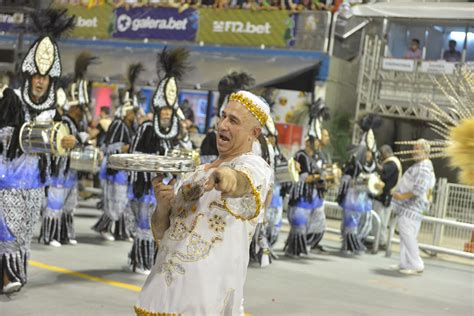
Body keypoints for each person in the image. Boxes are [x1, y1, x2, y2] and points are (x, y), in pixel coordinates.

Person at [135, 90, 272, 315]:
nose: (223, 125)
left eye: (234, 121)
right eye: (223, 116)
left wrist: (226, 177)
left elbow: (240, 182)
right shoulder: (196, 173)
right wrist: (162, 205)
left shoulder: (256, 167)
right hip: (161, 296)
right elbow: (163, 233)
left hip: (204, 302)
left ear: (253, 133)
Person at [0, 9, 76, 294]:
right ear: (29, 75)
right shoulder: (11, 99)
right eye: (36, 75)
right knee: (6, 228)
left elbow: (52, 146)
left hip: (34, 184)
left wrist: (64, 143)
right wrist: (16, 136)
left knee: (22, 233)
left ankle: (11, 274)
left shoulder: (52, 110)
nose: (40, 81)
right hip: (6, 180)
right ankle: (8, 277)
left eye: (45, 76)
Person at [127, 47, 190, 275]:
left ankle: (153, 262)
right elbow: (134, 156)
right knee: (143, 225)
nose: (166, 113)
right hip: (145, 187)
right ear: (157, 107)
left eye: (169, 109)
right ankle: (140, 261)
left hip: (167, 190)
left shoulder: (176, 131)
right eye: (163, 109)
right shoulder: (145, 127)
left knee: (163, 227)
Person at [39, 51, 95, 247]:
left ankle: (63, 234)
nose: (83, 114)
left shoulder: (75, 124)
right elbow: (54, 144)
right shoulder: (61, 121)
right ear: (74, 108)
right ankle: (49, 235)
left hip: (70, 172)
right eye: (82, 109)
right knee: (55, 204)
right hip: (58, 171)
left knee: (69, 205)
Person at [92, 63, 143, 242]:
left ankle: (122, 230)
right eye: (132, 112)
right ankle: (104, 227)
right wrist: (122, 149)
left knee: (124, 203)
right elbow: (107, 147)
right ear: (125, 111)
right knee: (113, 202)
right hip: (114, 171)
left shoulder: (133, 126)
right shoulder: (118, 124)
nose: (134, 115)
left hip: (126, 172)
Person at [391, 139, 435, 275]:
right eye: (413, 148)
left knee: (408, 235)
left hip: (411, 207)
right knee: (406, 235)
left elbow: (419, 189)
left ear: (424, 151)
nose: (413, 151)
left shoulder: (424, 167)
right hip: (409, 207)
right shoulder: (421, 165)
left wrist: (401, 196)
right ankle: (405, 263)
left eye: (416, 148)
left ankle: (416, 263)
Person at [370, 145, 402, 249]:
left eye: (381, 154)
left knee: (381, 220)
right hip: (383, 196)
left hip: (385, 197)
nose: (381, 156)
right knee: (379, 219)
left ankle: (381, 242)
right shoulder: (392, 162)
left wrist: (374, 161)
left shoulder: (392, 163)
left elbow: (383, 173)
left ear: (385, 153)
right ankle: (377, 240)